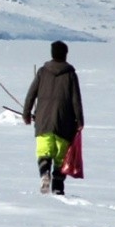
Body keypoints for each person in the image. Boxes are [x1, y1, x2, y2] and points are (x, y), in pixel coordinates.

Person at [23, 41, 84, 195]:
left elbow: (31, 94)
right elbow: (76, 99)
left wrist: (26, 114)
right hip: (65, 122)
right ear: (65, 54)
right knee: (60, 156)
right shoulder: (70, 74)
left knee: (44, 150)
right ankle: (58, 187)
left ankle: (44, 173)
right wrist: (80, 121)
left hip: (44, 120)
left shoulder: (43, 72)